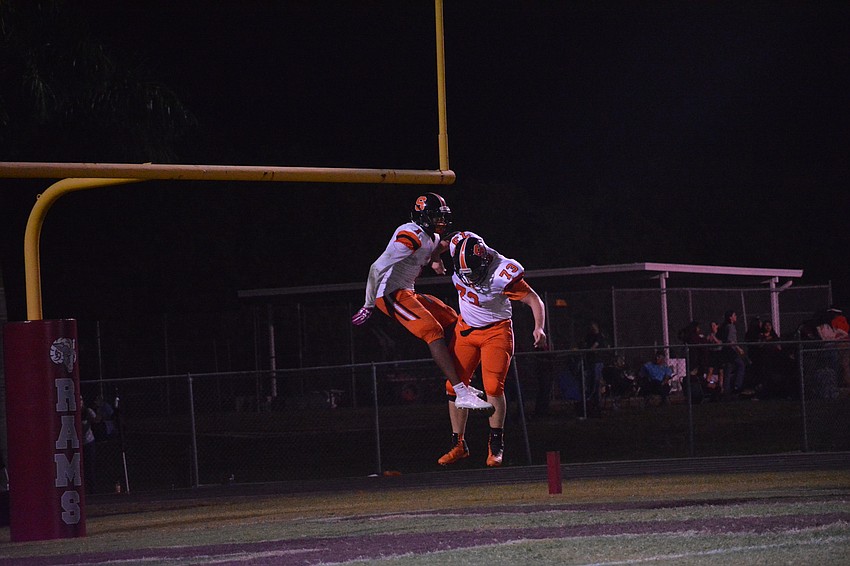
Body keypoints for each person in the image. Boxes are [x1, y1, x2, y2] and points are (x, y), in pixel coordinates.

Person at [351, 193, 493, 412]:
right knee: (432, 331)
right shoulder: (410, 236)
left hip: (408, 292)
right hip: (388, 294)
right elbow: (376, 268)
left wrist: (437, 260)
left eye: (443, 217)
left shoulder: (431, 237)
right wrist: (368, 304)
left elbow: (438, 246)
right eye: (436, 217)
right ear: (424, 217)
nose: (441, 222)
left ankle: (462, 381)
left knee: (454, 319)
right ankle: (461, 392)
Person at [436, 232, 547, 467]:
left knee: (492, 387)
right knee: (453, 386)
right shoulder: (458, 245)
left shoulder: (502, 273)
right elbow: (440, 242)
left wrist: (539, 328)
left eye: (475, 274)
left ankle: (496, 444)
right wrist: (436, 258)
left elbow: (534, 300)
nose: (471, 279)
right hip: (465, 329)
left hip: (496, 332)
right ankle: (458, 444)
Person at [718, 310, 746, 397]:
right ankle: (737, 386)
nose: (736, 316)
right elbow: (730, 340)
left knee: (728, 370)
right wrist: (738, 348)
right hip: (731, 351)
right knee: (741, 365)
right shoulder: (730, 327)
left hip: (726, 351)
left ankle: (726, 391)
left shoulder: (726, 326)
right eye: (734, 315)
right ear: (730, 317)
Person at [81, 397, 98, 493]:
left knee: (90, 466)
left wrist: (99, 408)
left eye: (81, 400)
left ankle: (92, 489)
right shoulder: (72, 412)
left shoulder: (88, 411)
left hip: (88, 441)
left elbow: (96, 420)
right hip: (78, 444)